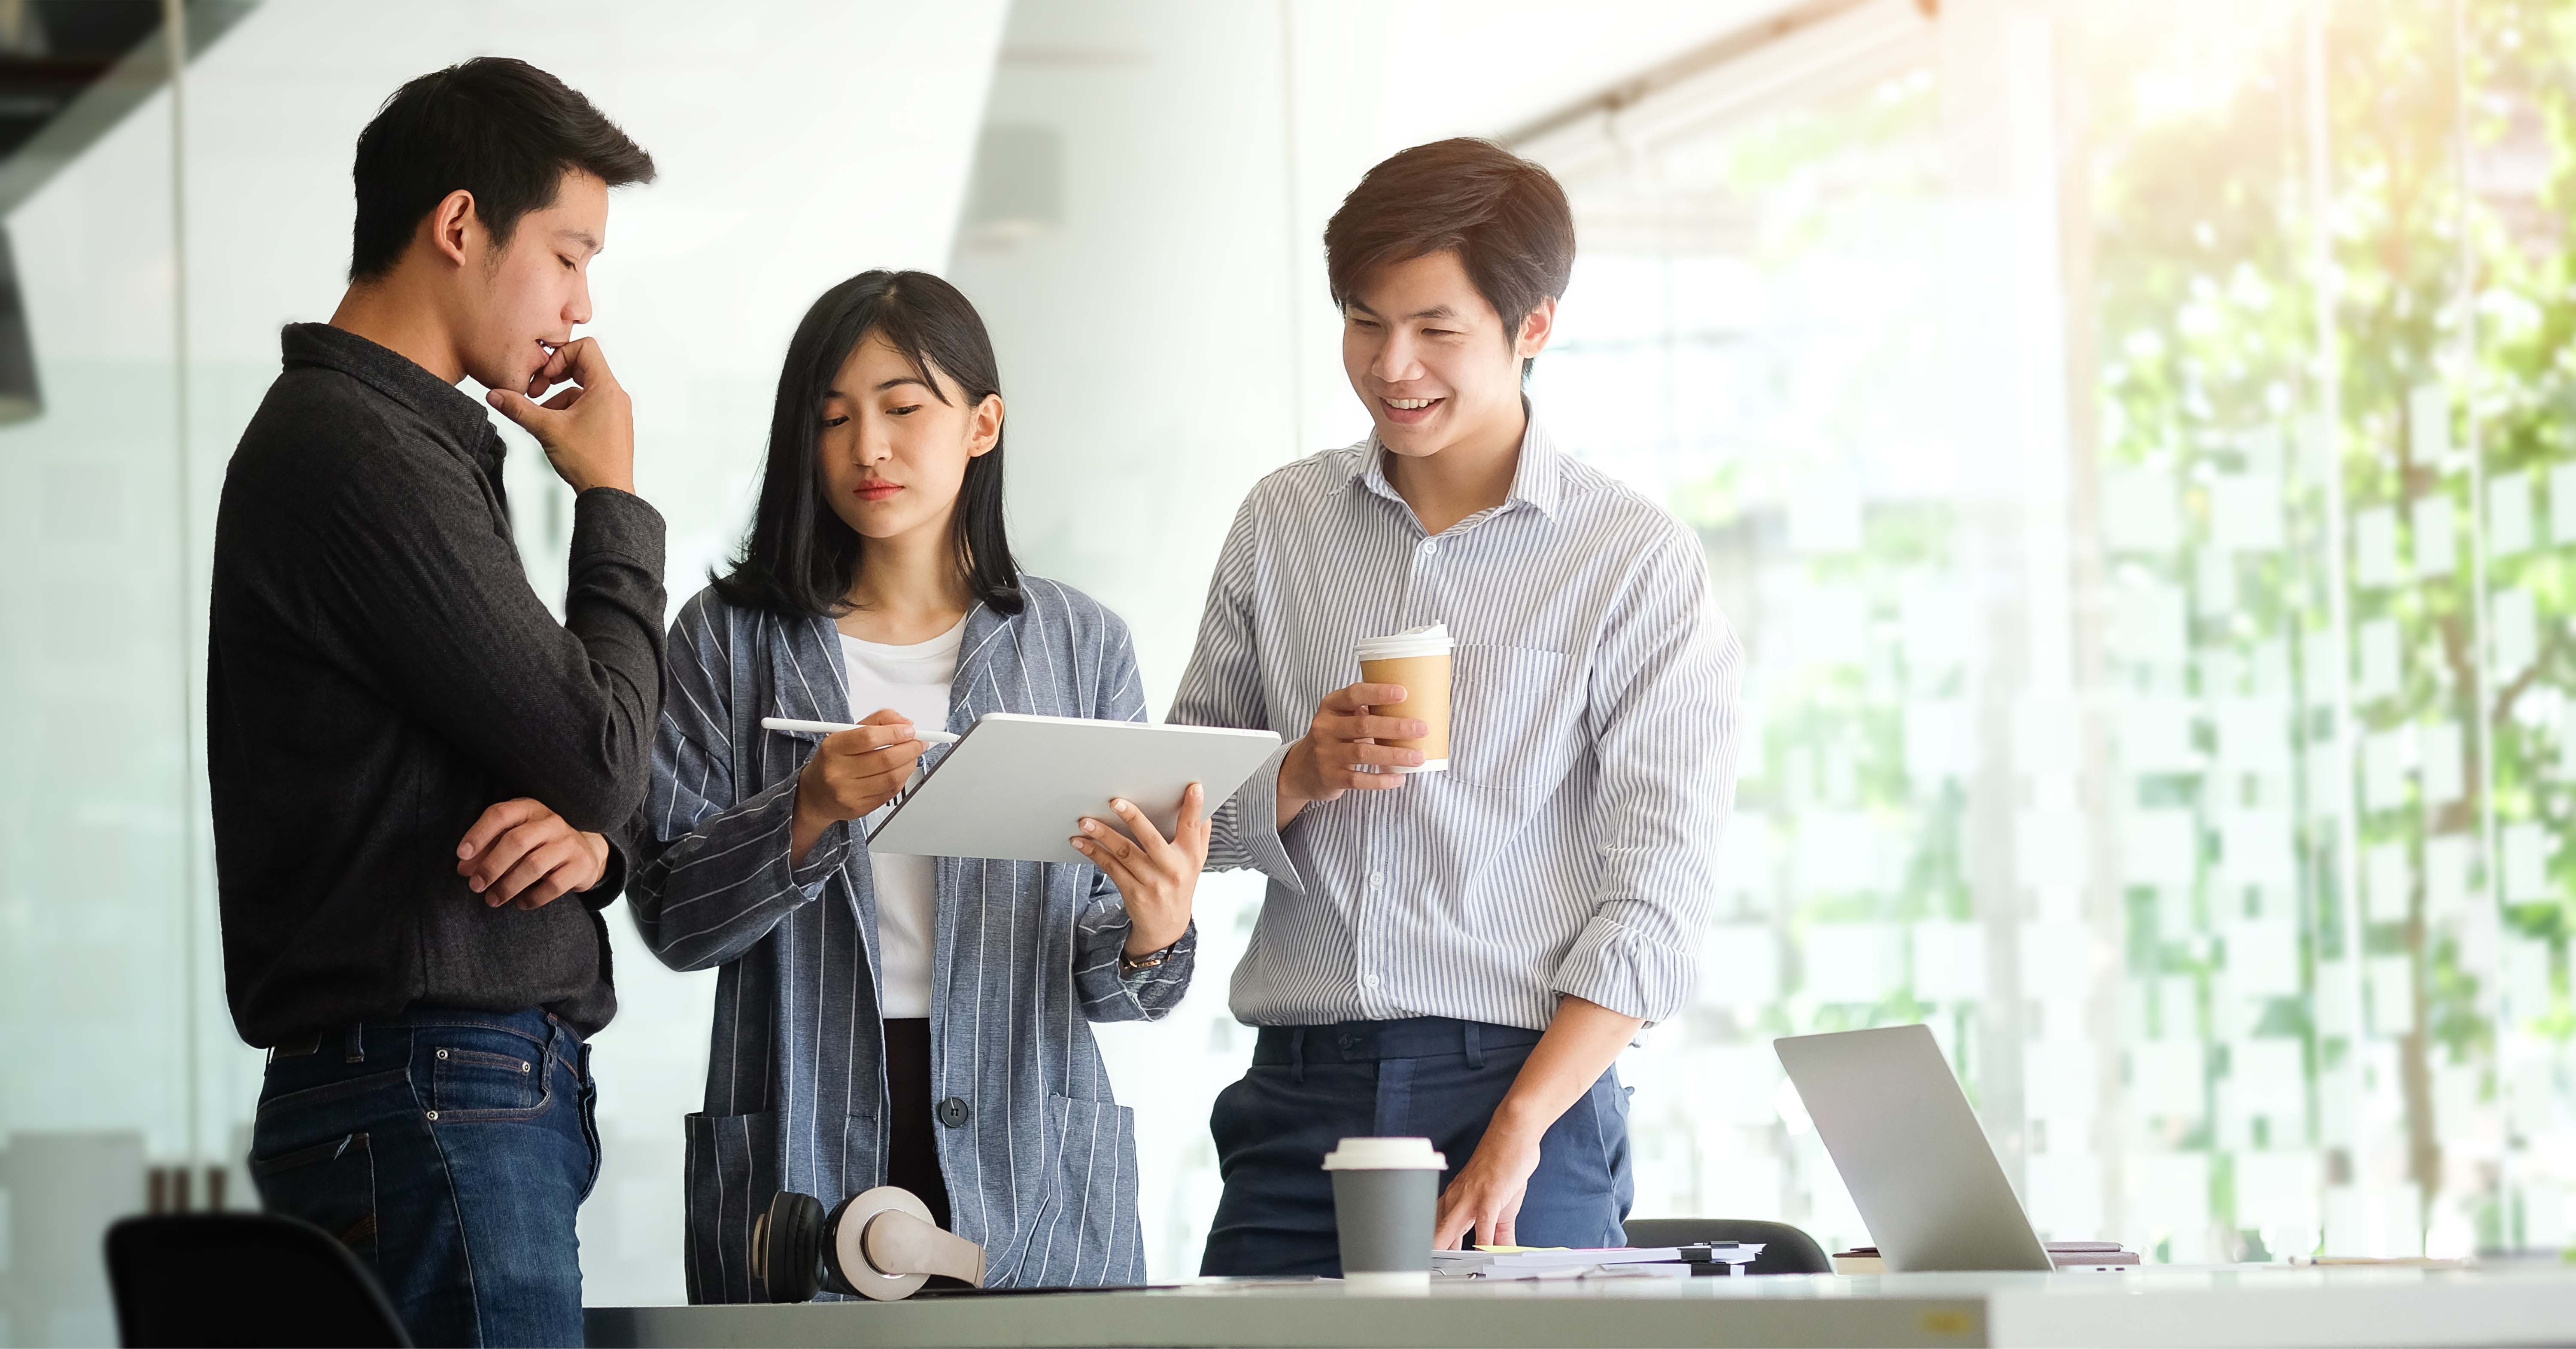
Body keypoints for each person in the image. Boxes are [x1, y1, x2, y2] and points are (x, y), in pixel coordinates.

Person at [1170, 137, 1744, 1275]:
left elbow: (1659, 894)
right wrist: (1299, 771)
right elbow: (1177, 807)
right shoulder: (1282, 523)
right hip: (1298, 1099)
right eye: (1365, 322)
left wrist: (1520, 1128)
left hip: (1521, 1090)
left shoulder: (1631, 558)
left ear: (1534, 325)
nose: (1393, 365)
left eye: (1436, 329)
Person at [628, 270, 1204, 1300]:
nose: (868, 448)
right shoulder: (726, 639)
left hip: (1030, 1156)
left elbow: (1114, 980)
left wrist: (1155, 931)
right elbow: (673, 918)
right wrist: (806, 810)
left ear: (983, 424)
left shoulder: (1081, 645)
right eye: (834, 418)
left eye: (903, 408)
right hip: (801, 1132)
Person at [207, 58, 659, 1346]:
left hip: (432, 1093)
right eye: (568, 254)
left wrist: (593, 842)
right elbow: (602, 747)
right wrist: (615, 499)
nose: (582, 306)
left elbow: (573, 767)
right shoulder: (358, 448)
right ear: (461, 224)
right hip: (434, 1092)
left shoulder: (385, 442)